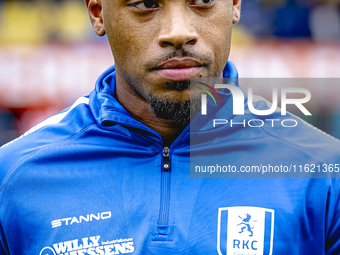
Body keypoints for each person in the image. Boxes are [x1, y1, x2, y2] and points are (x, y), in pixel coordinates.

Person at [0, 0, 340, 254]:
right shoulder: (13, 176)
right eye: (146, 4)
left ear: (234, 4)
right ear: (98, 12)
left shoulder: (322, 174)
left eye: (203, 0)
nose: (178, 31)